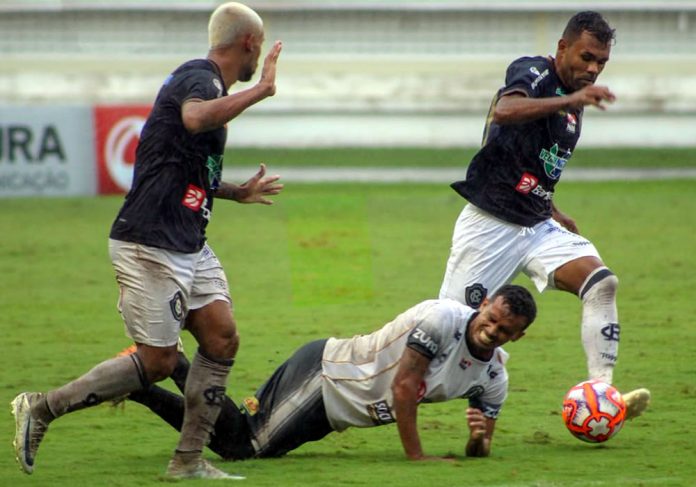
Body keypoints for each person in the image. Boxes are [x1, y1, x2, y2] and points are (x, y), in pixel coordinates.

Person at [11, 2, 283, 480]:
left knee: (221, 335)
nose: (257, 64)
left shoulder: (207, 83)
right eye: (257, 54)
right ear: (249, 45)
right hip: (150, 241)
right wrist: (261, 90)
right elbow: (196, 119)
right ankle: (42, 408)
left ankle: (188, 460)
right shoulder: (198, 78)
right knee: (157, 362)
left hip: (187, 239)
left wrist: (236, 192)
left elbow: (182, 161)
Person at [438, 11, 650, 417]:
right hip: (490, 224)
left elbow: (528, 161)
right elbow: (505, 111)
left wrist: (551, 207)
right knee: (450, 331)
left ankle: (603, 395)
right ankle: (408, 388)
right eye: (586, 57)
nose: (592, 69)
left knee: (601, 283)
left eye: (601, 63)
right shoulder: (535, 71)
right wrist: (572, 99)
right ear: (562, 47)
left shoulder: (575, 100)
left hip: (536, 224)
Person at [120, 285, 536, 461]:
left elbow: (480, 452)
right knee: (243, 446)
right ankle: (164, 366)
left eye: (505, 330)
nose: (492, 330)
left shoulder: (494, 380)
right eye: (492, 318)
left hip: (338, 410)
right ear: (483, 307)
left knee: (244, 436)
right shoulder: (442, 318)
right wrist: (417, 457)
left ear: (516, 337)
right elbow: (405, 387)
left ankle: (157, 371)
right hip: (325, 377)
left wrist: (478, 439)